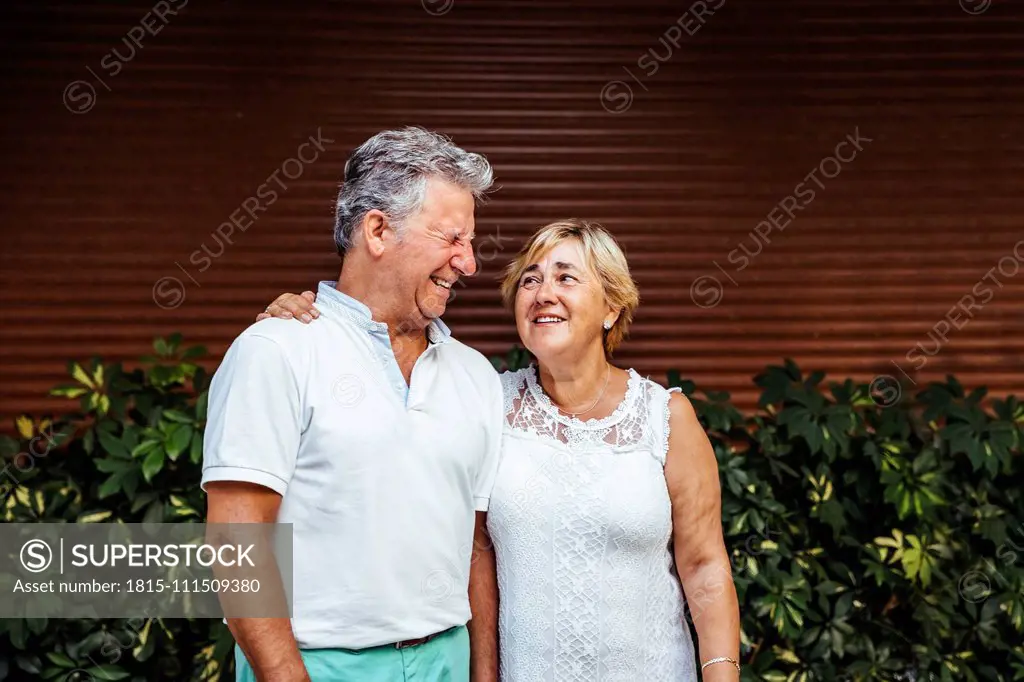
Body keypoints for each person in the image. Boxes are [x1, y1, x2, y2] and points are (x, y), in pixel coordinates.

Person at [259, 219, 741, 680]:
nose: (543, 293)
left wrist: (722, 676)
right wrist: (312, 323)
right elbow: (471, 545)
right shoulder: (483, 397)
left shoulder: (665, 416)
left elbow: (704, 566)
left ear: (612, 308)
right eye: (530, 280)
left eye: (566, 277)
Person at [202, 126, 505, 682]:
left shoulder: (476, 375)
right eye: (452, 239)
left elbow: (475, 545)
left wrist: (482, 673)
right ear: (378, 230)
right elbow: (236, 541)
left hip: (447, 658)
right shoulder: (276, 350)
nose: (469, 264)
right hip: (315, 665)